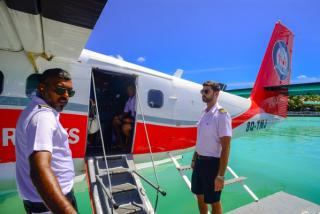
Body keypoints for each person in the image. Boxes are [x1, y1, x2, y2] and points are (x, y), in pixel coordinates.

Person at [15, 68, 78, 213]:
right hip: (51, 204)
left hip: (50, 200)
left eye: (70, 92)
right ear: (42, 88)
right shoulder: (43, 117)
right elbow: (39, 169)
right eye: (60, 90)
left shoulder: (37, 110)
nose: (66, 96)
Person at [191, 81, 232, 214]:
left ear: (216, 93)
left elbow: (226, 147)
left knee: (214, 201)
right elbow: (200, 140)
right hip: (199, 162)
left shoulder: (221, 114)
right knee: (199, 196)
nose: (203, 94)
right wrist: (194, 159)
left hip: (212, 164)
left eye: (206, 91)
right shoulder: (204, 112)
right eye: (202, 91)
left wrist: (221, 175)